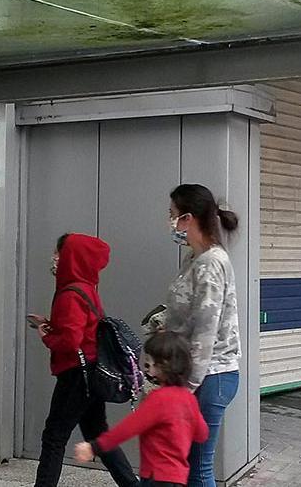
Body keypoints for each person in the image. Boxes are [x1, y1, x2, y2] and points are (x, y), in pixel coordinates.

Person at [30, 233, 138, 487]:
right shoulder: (87, 287)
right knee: (97, 433)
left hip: (76, 375)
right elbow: (82, 330)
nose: (55, 259)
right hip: (92, 371)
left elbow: (70, 340)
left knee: (55, 436)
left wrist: (47, 337)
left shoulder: (69, 294)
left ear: (71, 257)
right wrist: (50, 324)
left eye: (59, 253)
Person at [159, 184, 241, 487]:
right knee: (189, 464)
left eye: (172, 215)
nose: (169, 221)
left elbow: (205, 333)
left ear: (188, 218)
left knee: (199, 467)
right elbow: (188, 312)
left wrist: (186, 387)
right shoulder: (194, 260)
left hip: (210, 376)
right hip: (199, 375)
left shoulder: (211, 264)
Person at [74, 332, 208, 487]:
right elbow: (202, 434)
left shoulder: (158, 399)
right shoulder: (188, 398)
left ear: (162, 364)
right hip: (178, 478)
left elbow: (128, 428)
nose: (147, 365)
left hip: (155, 476)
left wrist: (94, 447)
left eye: (150, 361)